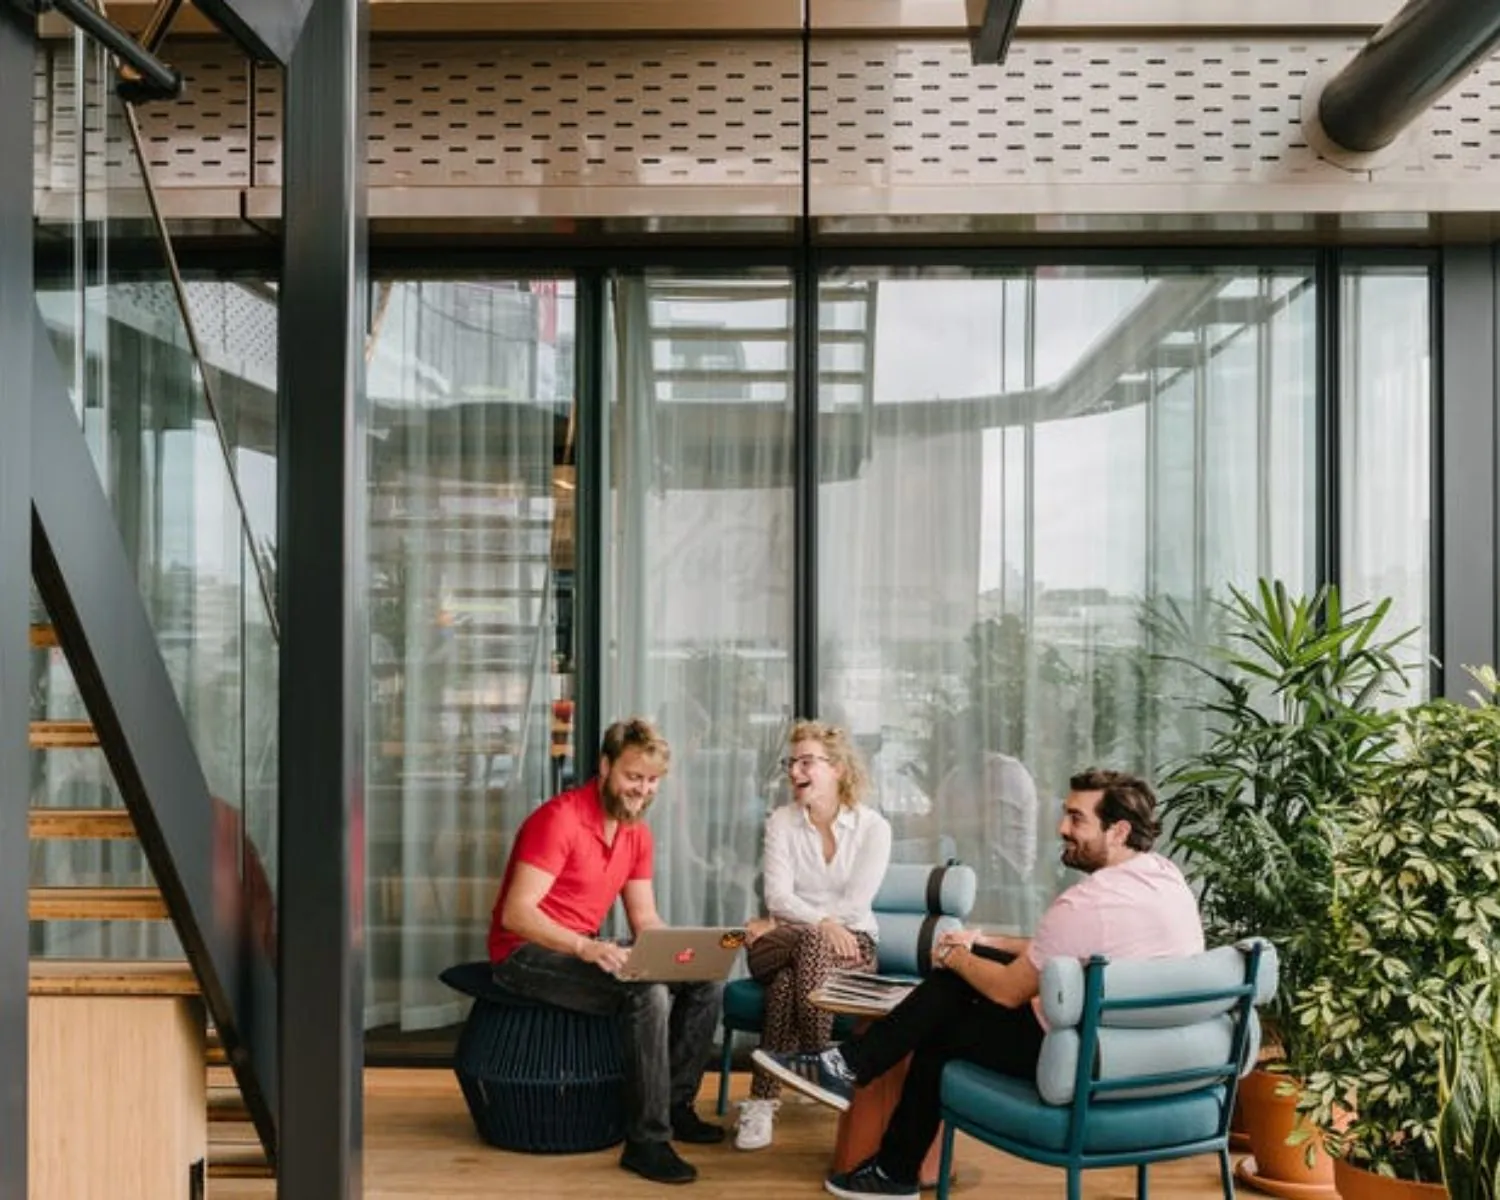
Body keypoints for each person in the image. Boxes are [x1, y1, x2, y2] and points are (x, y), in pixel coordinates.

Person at [753, 768, 1204, 1200]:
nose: (1061, 828)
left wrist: (954, 955)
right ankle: (854, 1081)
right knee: (962, 981)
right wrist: (983, 941)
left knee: (941, 1029)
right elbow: (1069, 946)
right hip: (1151, 1060)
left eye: (1076, 818)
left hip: (1082, 1061)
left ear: (1119, 831)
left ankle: (882, 1147)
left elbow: (1010, 990)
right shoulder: (1165, 879)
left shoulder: (1087, 902)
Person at [488, 717, 724, 1185]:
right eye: (633, 776)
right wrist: (585, 947)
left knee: (707, 979)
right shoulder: (559, 819)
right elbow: (517, 914)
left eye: (653, 780)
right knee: (647, 994)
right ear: (605, 765)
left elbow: (645, 921)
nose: (643, 790)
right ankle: (646, 1141)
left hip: (583, 949)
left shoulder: (636, 834)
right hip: (525, 953)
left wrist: (675, 950)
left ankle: (675, 1105)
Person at [735, 720, 893, 1152]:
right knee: (809, 943)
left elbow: (857, 904)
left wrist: (798, 922)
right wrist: (820, 923)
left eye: (806, 762)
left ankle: (762, 1102)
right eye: (791, 762)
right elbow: (777, 895)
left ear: (838, 768)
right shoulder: (781, 822)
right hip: (778, 945)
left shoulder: (873, 828)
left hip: (853, 947)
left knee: (788, 983)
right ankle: (822, 1058)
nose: (794, 771)